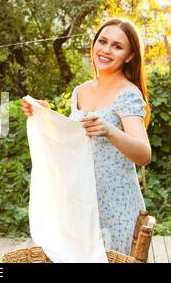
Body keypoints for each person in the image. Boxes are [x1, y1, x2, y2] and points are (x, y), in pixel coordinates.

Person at [21, 18, 151, 255]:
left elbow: (144, 154)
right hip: (81, 202)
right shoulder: (80, 91)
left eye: (117, 46)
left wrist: (110, 131)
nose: (106, 50)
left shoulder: (128, 94)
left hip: (115, 207)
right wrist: (45, 114)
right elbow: (72, 142)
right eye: (102, 41)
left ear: (129, 56)